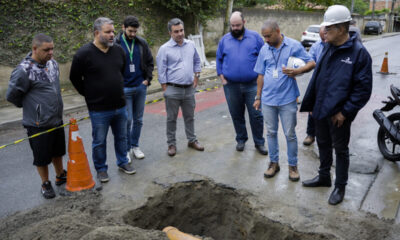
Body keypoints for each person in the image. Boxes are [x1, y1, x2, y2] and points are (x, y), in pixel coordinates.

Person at [300, 5, 372, 205]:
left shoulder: (359, 54)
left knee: (340, 150)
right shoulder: (327, 48)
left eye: (328, 28)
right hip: (321, 110)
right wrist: (314, 103)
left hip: (339, 115)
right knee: (322, 144)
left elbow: (363, 91)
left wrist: (345, 112)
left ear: (341, 29)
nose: (324, 32)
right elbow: (319, 79)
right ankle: (324, 177)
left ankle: (340, 186)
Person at [70, 17, 135, 183]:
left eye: (113, 31)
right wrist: (90, 94)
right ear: (97, 33)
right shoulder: (83, 54)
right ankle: (101, 169)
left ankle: (123, 162)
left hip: (120, 106)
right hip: (99, 109)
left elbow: (121, 71)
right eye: (108, 32)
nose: (112, 35)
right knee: (99, 141)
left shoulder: (119, 51)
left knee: (122, 138)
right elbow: (74, 78)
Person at [253, 20, 315, 182]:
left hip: (287, 99)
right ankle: (274, 163)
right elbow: (260, 75)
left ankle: (293, 166)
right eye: (264, 36)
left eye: (268, 36)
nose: (266, 39)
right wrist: (258, 97)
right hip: (267, 100)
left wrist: (297, 71)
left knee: (290, 134)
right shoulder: (264, 49)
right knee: (271, 133)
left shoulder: (293, 45)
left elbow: (312, 63)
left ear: (278, 31)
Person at [6, 33, 66, 199]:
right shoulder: (24, 70)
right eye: (46, 50)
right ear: (34, 49)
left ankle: (60, 175)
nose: (51, 52)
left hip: (56, 118)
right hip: (37, 123)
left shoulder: (52, 63)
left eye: (52, 48)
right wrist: (31, 107)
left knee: (58, 151)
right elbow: (12, 95)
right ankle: (45, 183)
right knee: (41, 157)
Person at [216, 11, 267, 155]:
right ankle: (241, 139)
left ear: (244, 22)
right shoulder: (224, 40)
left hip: (252, 85)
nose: (235, 28)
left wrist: (262, 78)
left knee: (256, 115)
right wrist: (221, 77)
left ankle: (259, 142)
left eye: (238, 25)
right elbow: (219, 59)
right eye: (232, 26)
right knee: (236, 114)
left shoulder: (255, 38)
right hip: (231, 86)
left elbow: (264, 57)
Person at [156, 18, 204, 157]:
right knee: (171, 118)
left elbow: (196, 60)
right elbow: (161, 70)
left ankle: (192, 140)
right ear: (170, 33)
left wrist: (197, 77)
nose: (180, 33)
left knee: (190, 116)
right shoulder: (165, 49)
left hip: (189, 88)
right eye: (176, 31)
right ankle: (171, 144)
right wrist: (165, 89)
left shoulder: (191, 44)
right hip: (173, 89)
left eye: (181, 30)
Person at [114, 16, 154, 160]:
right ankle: (126, 149)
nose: (132, 34)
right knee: (127, 119)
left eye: (135, 31)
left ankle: (135, 146)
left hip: (140, 87)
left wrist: (147, 79)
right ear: (123, 27)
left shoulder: (141, 43)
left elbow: (150, 62)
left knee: (138, 120)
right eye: (130, 31)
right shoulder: (116, 43)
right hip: (124, 89)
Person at [303, 26, 326, 146]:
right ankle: (310, 134)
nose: (324, 40)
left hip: (332, 83)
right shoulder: (317, 45)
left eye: (325, 37)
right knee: (312, 107)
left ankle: (330, 137)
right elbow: (309, 59)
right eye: (322, 38)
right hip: (318, 80)